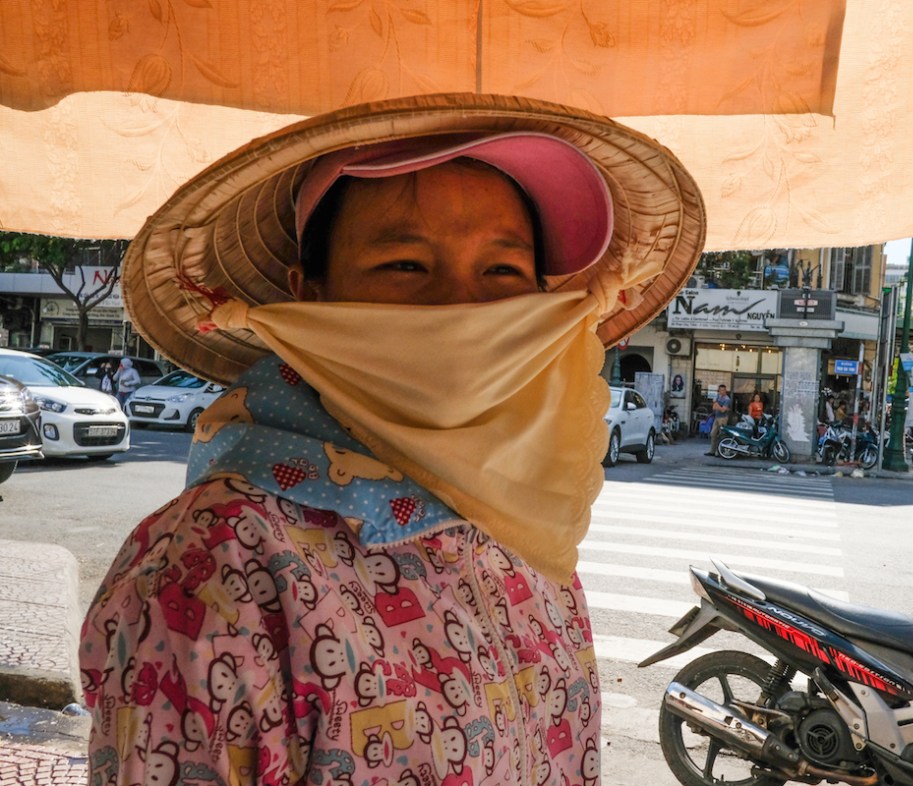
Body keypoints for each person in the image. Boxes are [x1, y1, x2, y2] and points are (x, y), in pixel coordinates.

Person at [79, 94, 705, 785]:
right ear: (308, 295)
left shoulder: (529, 527)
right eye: (405, 265)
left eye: (502, 271)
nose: (464, 311)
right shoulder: (215, 571)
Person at [706, 384, 732, 456]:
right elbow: (714, 407)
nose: (721, 392)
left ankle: (719, 452)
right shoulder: (718, 396)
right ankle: (712, 451)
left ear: (725, 391)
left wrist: (717, 405)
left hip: (723, 418)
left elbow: (723, 411)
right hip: (716, 417)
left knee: (721, 435)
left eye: (723, 390)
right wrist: (719, 407)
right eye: (720, 390)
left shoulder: (727, 399)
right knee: (713, 434)